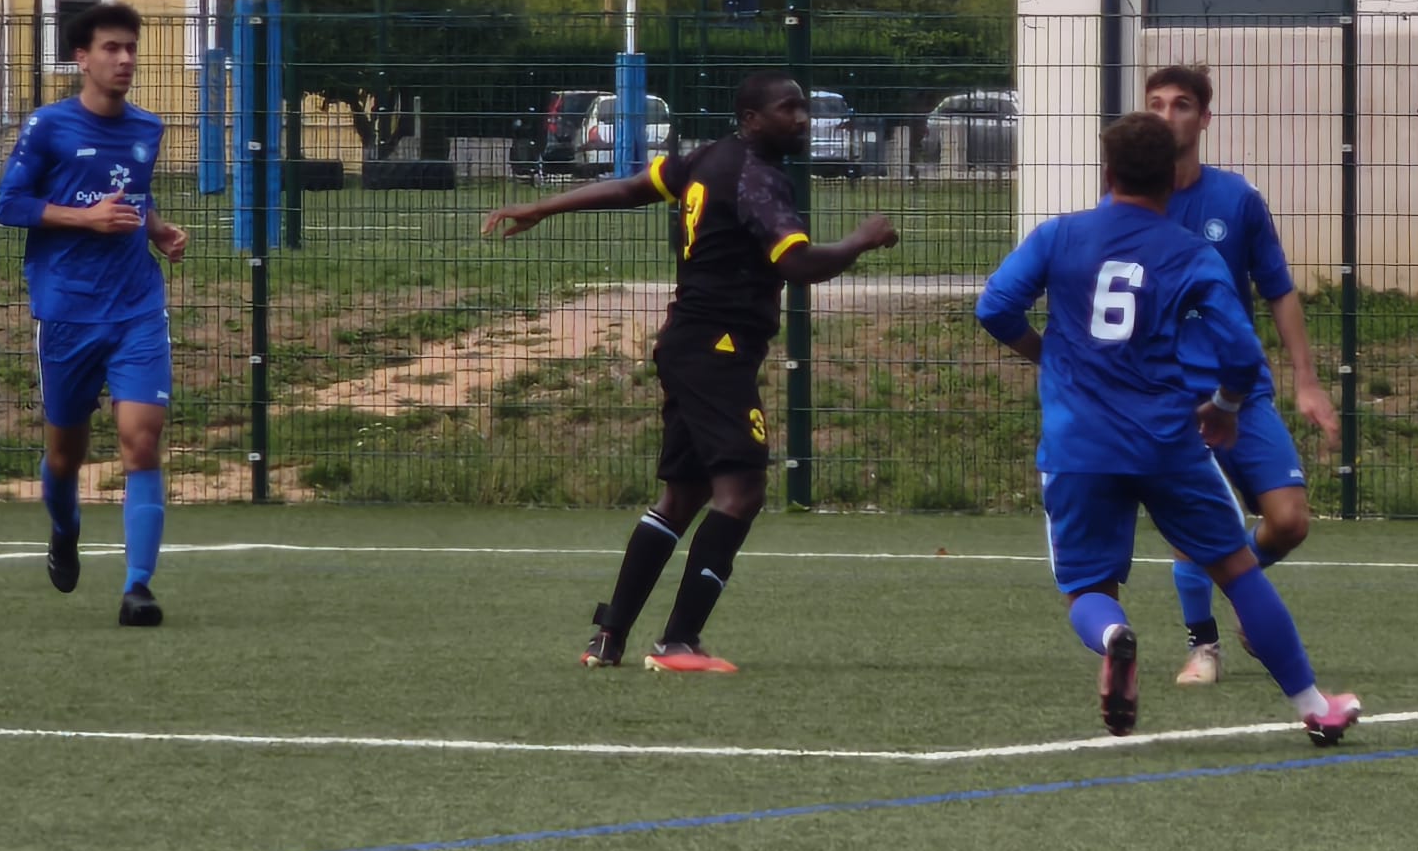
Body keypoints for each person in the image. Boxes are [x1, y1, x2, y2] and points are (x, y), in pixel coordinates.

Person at [484, 71, 899, 673]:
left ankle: (609, 636)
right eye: (789, 109)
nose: (803, 119)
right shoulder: (758, 177)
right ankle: (677, 642)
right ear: (752, 119)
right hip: (717, 350)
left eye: (804, 107)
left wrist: (542, 207)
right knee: (741, 493)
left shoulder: (707, 158)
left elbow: (632, 188)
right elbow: (800, 265)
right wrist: (862, 239)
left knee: (683, 495)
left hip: (688, 343)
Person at [976, 111, 1361, 742]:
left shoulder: (1059, 235)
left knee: (1088, 589)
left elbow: (994, 307)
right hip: (1166, 442)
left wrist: (1046, 354)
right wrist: (1226, 407)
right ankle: (1315, 706)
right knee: (1237, 570)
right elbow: (1242, 354)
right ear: (1169, 182)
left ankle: (1113, 637)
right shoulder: (1190, 253)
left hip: (1078, 444)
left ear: (1107, 173)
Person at [1140, 65, 1341, 686]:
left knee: (1290, 521)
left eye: (1181, 104)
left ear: (1204, 119)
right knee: (1192, 523)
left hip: (1240, 390)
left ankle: (1241, 585)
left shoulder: (1237, 200)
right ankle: (1203, 647)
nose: (1166, 115)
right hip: (1169, 392)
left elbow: (1279, 290)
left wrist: (1307, 381)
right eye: (1155, 104)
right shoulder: (1129, 202)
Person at [0, 1, 185, 627]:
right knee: (64, 458)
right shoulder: (48, 126)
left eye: (131, 48)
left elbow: (134, 193)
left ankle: (138, 589)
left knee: (142, 440)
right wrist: (85, 218)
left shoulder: (148, 127)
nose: (125, 59)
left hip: (136, 306)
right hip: (67, 311)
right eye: (111, 48)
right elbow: (9, 205)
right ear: (81, 57)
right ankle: (65, 527)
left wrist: (156, 228)